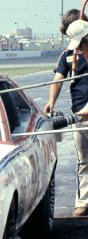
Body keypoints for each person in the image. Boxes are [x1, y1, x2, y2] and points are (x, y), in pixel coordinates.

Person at [44, 18, 88, 217]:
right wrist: (51, 100)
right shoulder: (68, 55)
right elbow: (58, 79)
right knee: (83, 160)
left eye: (81, 43)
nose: (78, 48)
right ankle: (83, 202)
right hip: (80, 115)